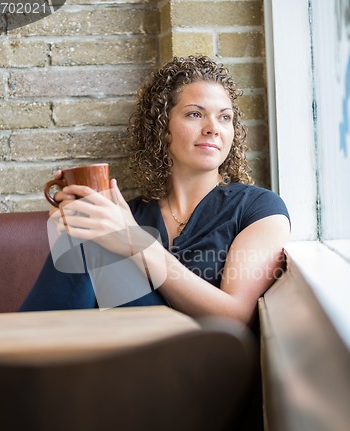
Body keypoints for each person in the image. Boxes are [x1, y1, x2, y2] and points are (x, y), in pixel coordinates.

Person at [20, 55, 290, 325]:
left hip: (206, 353)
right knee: (85, 239)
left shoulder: (259, 208)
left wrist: (135, 241)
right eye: (195, 114)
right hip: (121, 351)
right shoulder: (127, 214)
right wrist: (67, 228)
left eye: (225, 117)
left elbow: (236, 315)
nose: (213, 128)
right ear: (163, 128)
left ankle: (7, 357)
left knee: (91, 241)